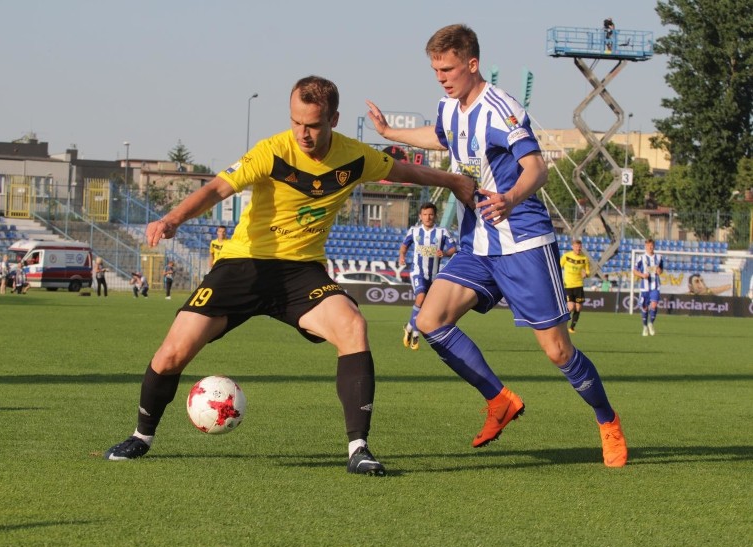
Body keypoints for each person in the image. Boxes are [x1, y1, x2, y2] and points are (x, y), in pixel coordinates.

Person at [104, 75, 476, 475]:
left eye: (313, 125)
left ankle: (358, 449)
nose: (302, 132)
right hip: (244, 265)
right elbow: (216, 189)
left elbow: (403, 172)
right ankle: (142, 436)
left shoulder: (355, 157)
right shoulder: (272, 152)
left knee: (352, 326)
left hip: (302, 271)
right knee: (173, 352)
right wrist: (174, 217)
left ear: (333, 118)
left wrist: (453, 180)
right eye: (296, 122)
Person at [366, 24, 627, 467]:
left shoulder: (501, 108)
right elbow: (439, 135)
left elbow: (536, 168)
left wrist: (509, 198)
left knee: (557, 351)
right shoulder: (450, 106)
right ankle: (499, 399)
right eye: (435, 70)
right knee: (430, 320)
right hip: (477, 243)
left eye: (447, 69)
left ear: (472, 64)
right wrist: (393, 131)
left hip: (522, 238)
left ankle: (608, 421)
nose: (441, 77)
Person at [398, 202, 456, 350]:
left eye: (430, 214)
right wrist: (402, 256)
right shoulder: (414, 231)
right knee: (421, 298)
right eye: (425, 214)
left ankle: (410, 326)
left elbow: (453, 248)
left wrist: (445, 253)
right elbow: (404, 246)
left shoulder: (442, 232)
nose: (428, 217)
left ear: (435, 216)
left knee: (426, 306)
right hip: (418, 271)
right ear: (420, 216)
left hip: (435, 276)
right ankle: (416, 334)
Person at [633, 238, 663, 336]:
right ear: (645, 246)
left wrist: (659, 271)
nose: (650, 247)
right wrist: (642, 275)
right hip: (644, 287)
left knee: (654, 305)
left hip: (655, 286)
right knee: (645, 308)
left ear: (654, 246)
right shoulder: (640, 258)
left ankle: (651, 323)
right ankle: (645, 326)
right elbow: (634, 271)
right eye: (648, 245)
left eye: (652, 245)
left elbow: (661, 271)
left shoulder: (659, 257)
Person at [560, 239, 591, 333]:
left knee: (578, 308)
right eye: (577, 246)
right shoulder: (566, 256)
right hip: (568, 285)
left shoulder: (584, 258)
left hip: (579, 285)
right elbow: (559, 266)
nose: (578, 248)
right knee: (571, 307)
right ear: (573, 246)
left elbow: (588, 271)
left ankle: (572, 328)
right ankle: (561, 325)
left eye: (580, 246)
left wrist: (586, 274)